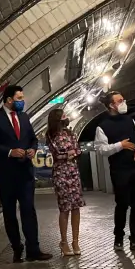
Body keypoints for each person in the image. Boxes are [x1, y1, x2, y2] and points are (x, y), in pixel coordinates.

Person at [0, 85, 53, 262]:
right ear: (9, 100)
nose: (22, 101)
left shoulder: (23, 117)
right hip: (4, 173)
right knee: (9, 212)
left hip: (25, 171)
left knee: (28, 209)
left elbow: (33, 139)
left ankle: (33, 249)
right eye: (19, 98)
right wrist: (9, 152)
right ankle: (16, 247)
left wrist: (33, 149)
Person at [94, 91, 135, 253]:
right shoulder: (102, 127)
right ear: (112, 105)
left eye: (123, 100)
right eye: (120, 101)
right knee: (122, 204)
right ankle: (118, 237)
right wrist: (120, 145)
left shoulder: (130, 120)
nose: (124, 102)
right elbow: (101, 149)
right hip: (119, 171)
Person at [46, 108, 86, 256]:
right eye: (62, 115)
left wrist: (69, 154)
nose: (65, 117)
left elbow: (78, 150)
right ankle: (63, 242)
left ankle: (75, 241)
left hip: (73, 172)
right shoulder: (50, 135)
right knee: (64, 208)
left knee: (76, 207)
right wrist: (68, 154)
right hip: (60, 173)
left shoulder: (70, 133)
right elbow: (57, 154)